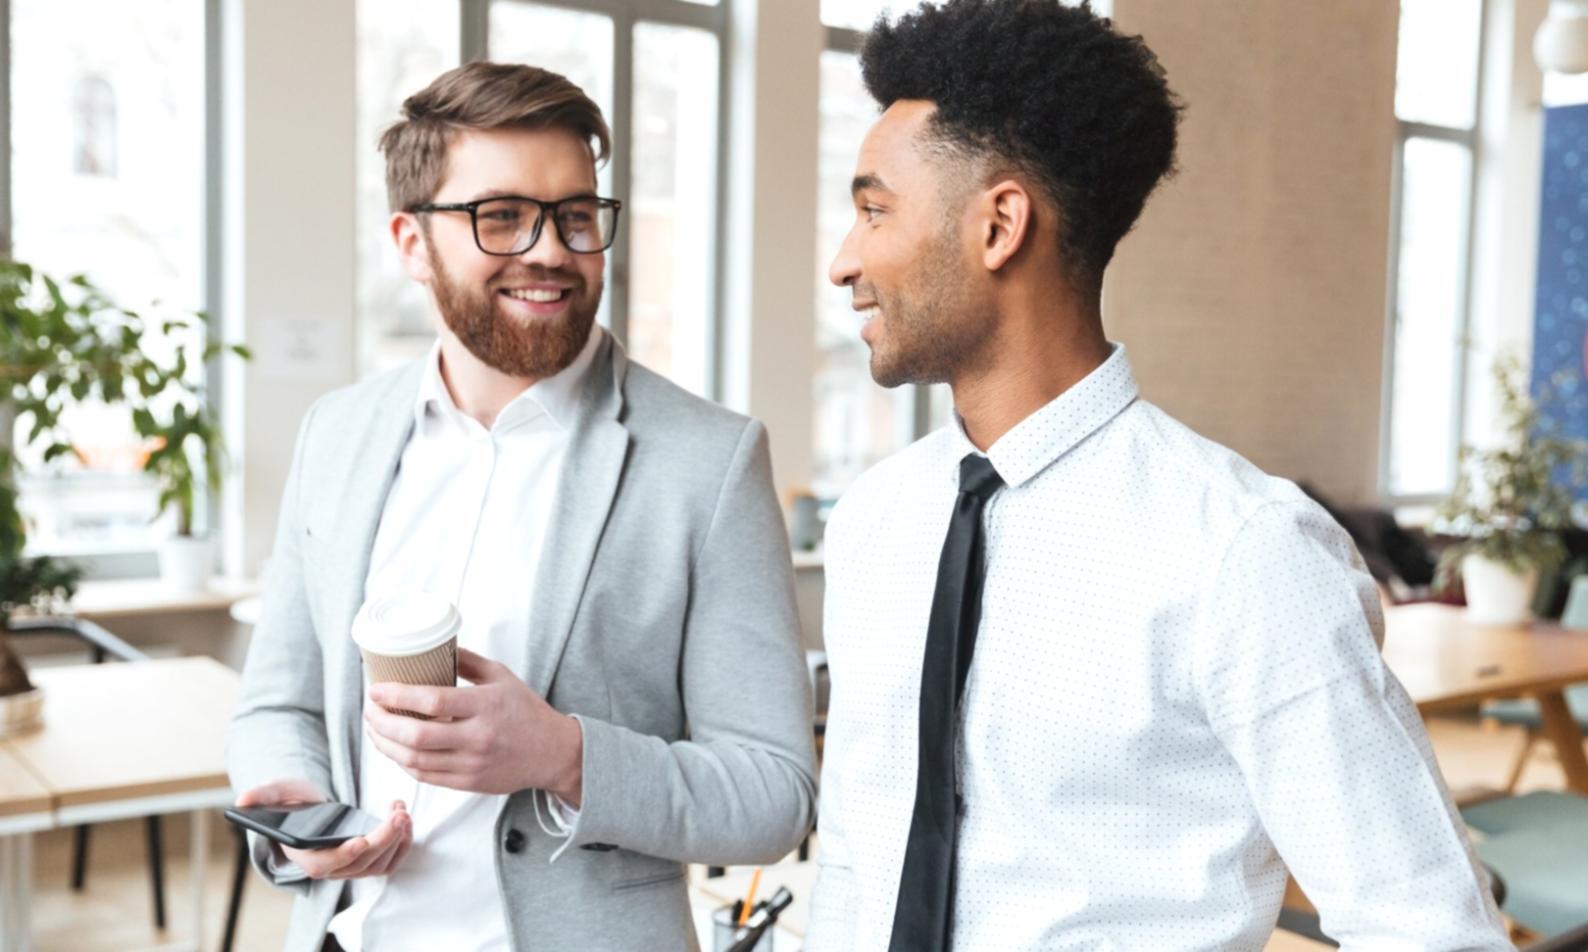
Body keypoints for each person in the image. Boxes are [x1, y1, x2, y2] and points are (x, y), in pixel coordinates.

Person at [804, 2, 1510, 949]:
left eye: (873, 210)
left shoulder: (1245, 553)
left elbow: (1427, 927)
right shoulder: (874, 521)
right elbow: (857, 857)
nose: (843, 261)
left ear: (1000, 225)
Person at [226, 61, 815, 952]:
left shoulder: (710, 462)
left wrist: (564, 756)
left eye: (576, 214)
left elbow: (775, 793)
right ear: (411, 241)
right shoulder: (335, 434)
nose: (550, 250)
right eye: (500, 215)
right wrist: (298, 806)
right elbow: (279, 706)